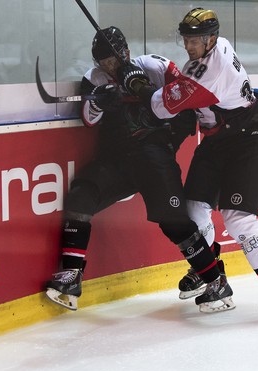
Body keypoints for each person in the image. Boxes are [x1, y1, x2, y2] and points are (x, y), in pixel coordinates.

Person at [117, 8, 258, 323]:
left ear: (211, 38)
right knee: (193, 208)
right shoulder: (216, 48)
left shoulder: (211, 73)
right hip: (221, 139)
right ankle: (216, 282)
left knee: (238, 219)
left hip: (249, 139)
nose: (189, 45)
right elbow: (183, 87)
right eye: (186, 38)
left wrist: (136, 85)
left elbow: (161, 108)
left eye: (196, 39)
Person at [45, 26, 231, 313]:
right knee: (81, 195)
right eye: (102, 62)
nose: (107, 67)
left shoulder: (154, 66)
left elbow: (187, 97)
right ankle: (72, 276)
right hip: (117, 161)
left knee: (173, 221)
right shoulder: (94, 79)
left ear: (125, 53)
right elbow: (88, 119)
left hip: (153, 156)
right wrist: (99, 104)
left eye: (111, 61)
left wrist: (169, 140)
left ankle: (215, 281)